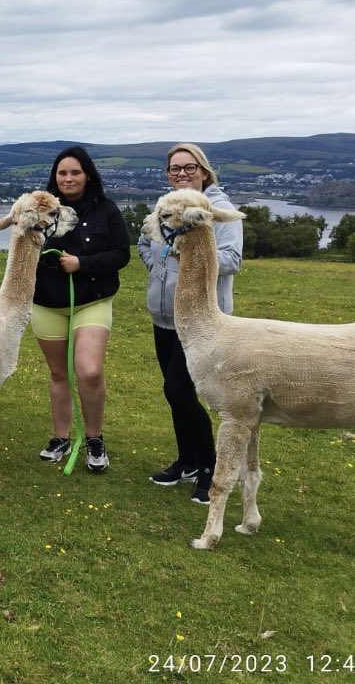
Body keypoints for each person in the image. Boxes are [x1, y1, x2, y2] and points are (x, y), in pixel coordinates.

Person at [139, 142, 243, 504]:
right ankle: (187, 461)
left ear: (204, 170)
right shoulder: (166, 207)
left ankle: (210, 468)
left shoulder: (218, 209)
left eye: (188, 167)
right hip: (164, 316)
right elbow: (145, 240)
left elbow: (232, 259)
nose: (181, 174)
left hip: (201, 320)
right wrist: (158, 270)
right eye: (174, 169)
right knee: (174, 392)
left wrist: (189, 254)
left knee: (180, 391)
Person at [32, 146, 129, 472]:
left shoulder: (106, 210)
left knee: (89, 370)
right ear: (54, 177)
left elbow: (120, 254)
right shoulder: (38, 210)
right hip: (47, 302)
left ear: (88, 175)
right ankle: (61, 437)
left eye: (75, 172)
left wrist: (82, 263)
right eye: (62, 173)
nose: (68, 178)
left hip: (91, 300)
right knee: (59, 373)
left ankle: (94, 438)